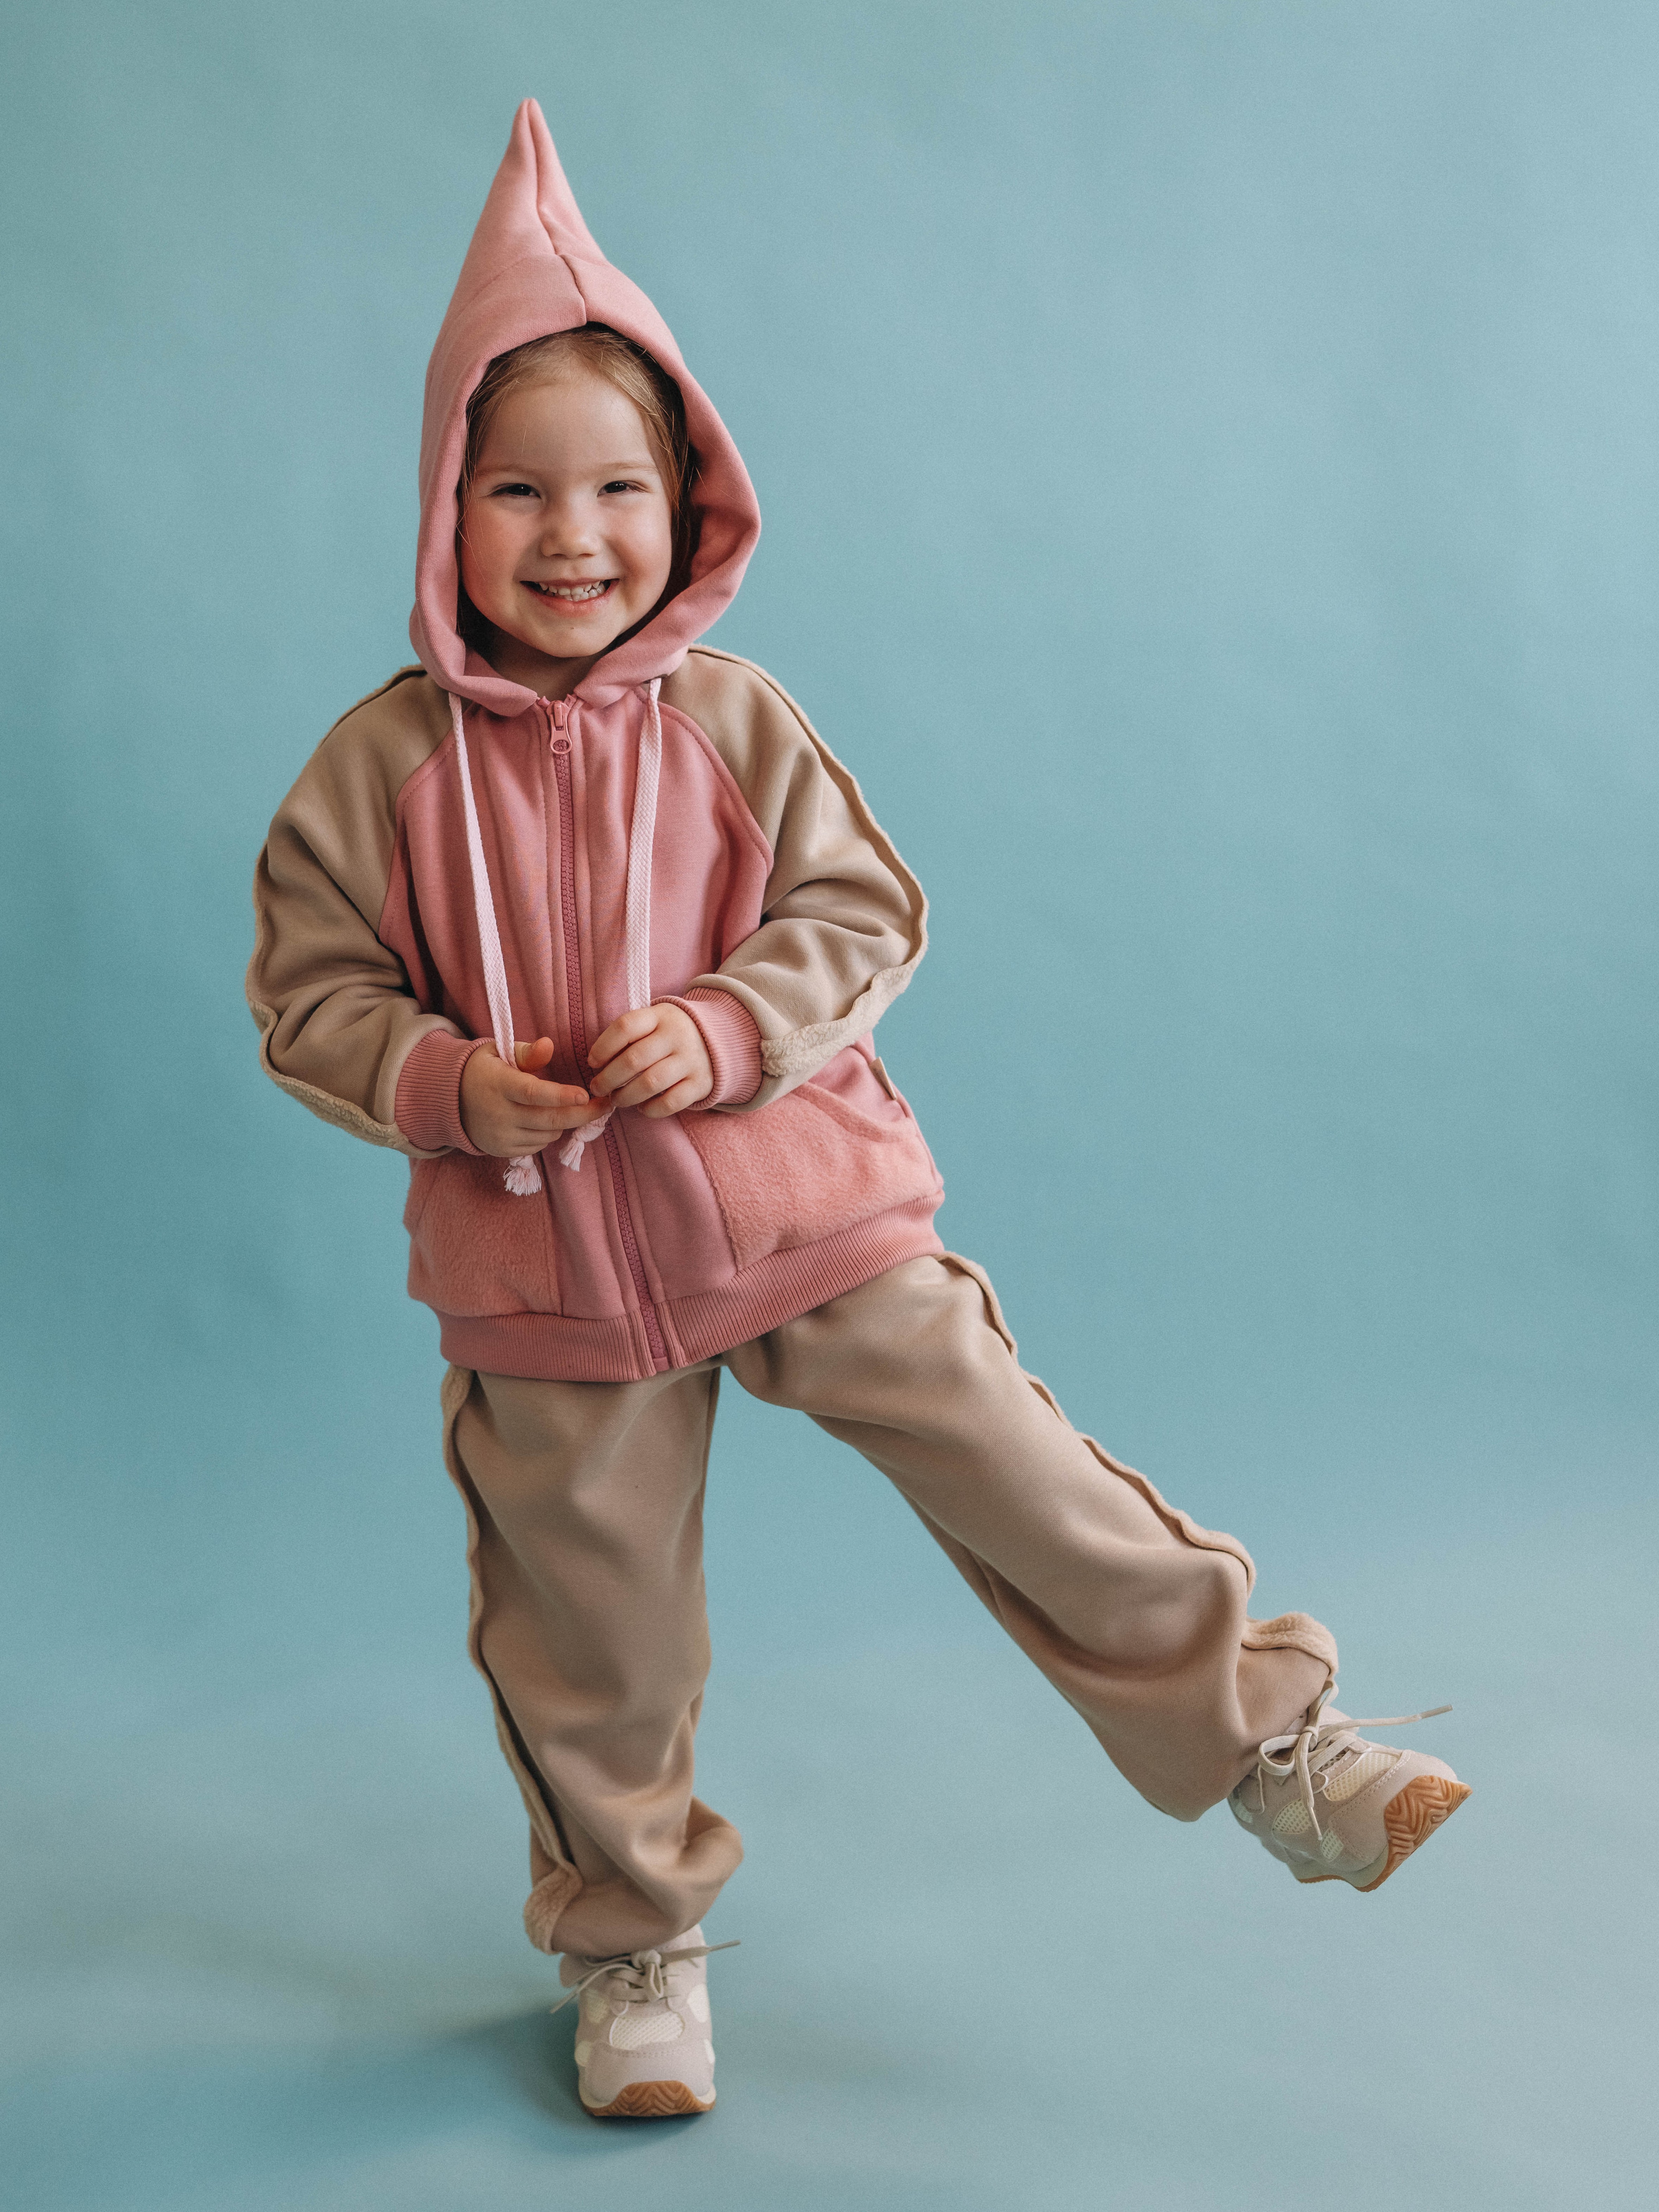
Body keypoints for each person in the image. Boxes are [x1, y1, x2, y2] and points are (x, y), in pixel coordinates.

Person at [247, 99, 1468, 2121]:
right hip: (547, 1292)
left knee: (1025, 1470)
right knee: (589, 1639)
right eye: (519, 490)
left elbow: (859, 912)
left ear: (690, 501)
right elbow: (310, 1003)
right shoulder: (377, 775)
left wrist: (728, 1028)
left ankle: (1276, 1748)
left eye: (621, 487)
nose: (573, 535)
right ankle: (633, 1947)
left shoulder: (737, 722)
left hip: (805, 1218)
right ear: (443, 513)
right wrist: (456, 1085)